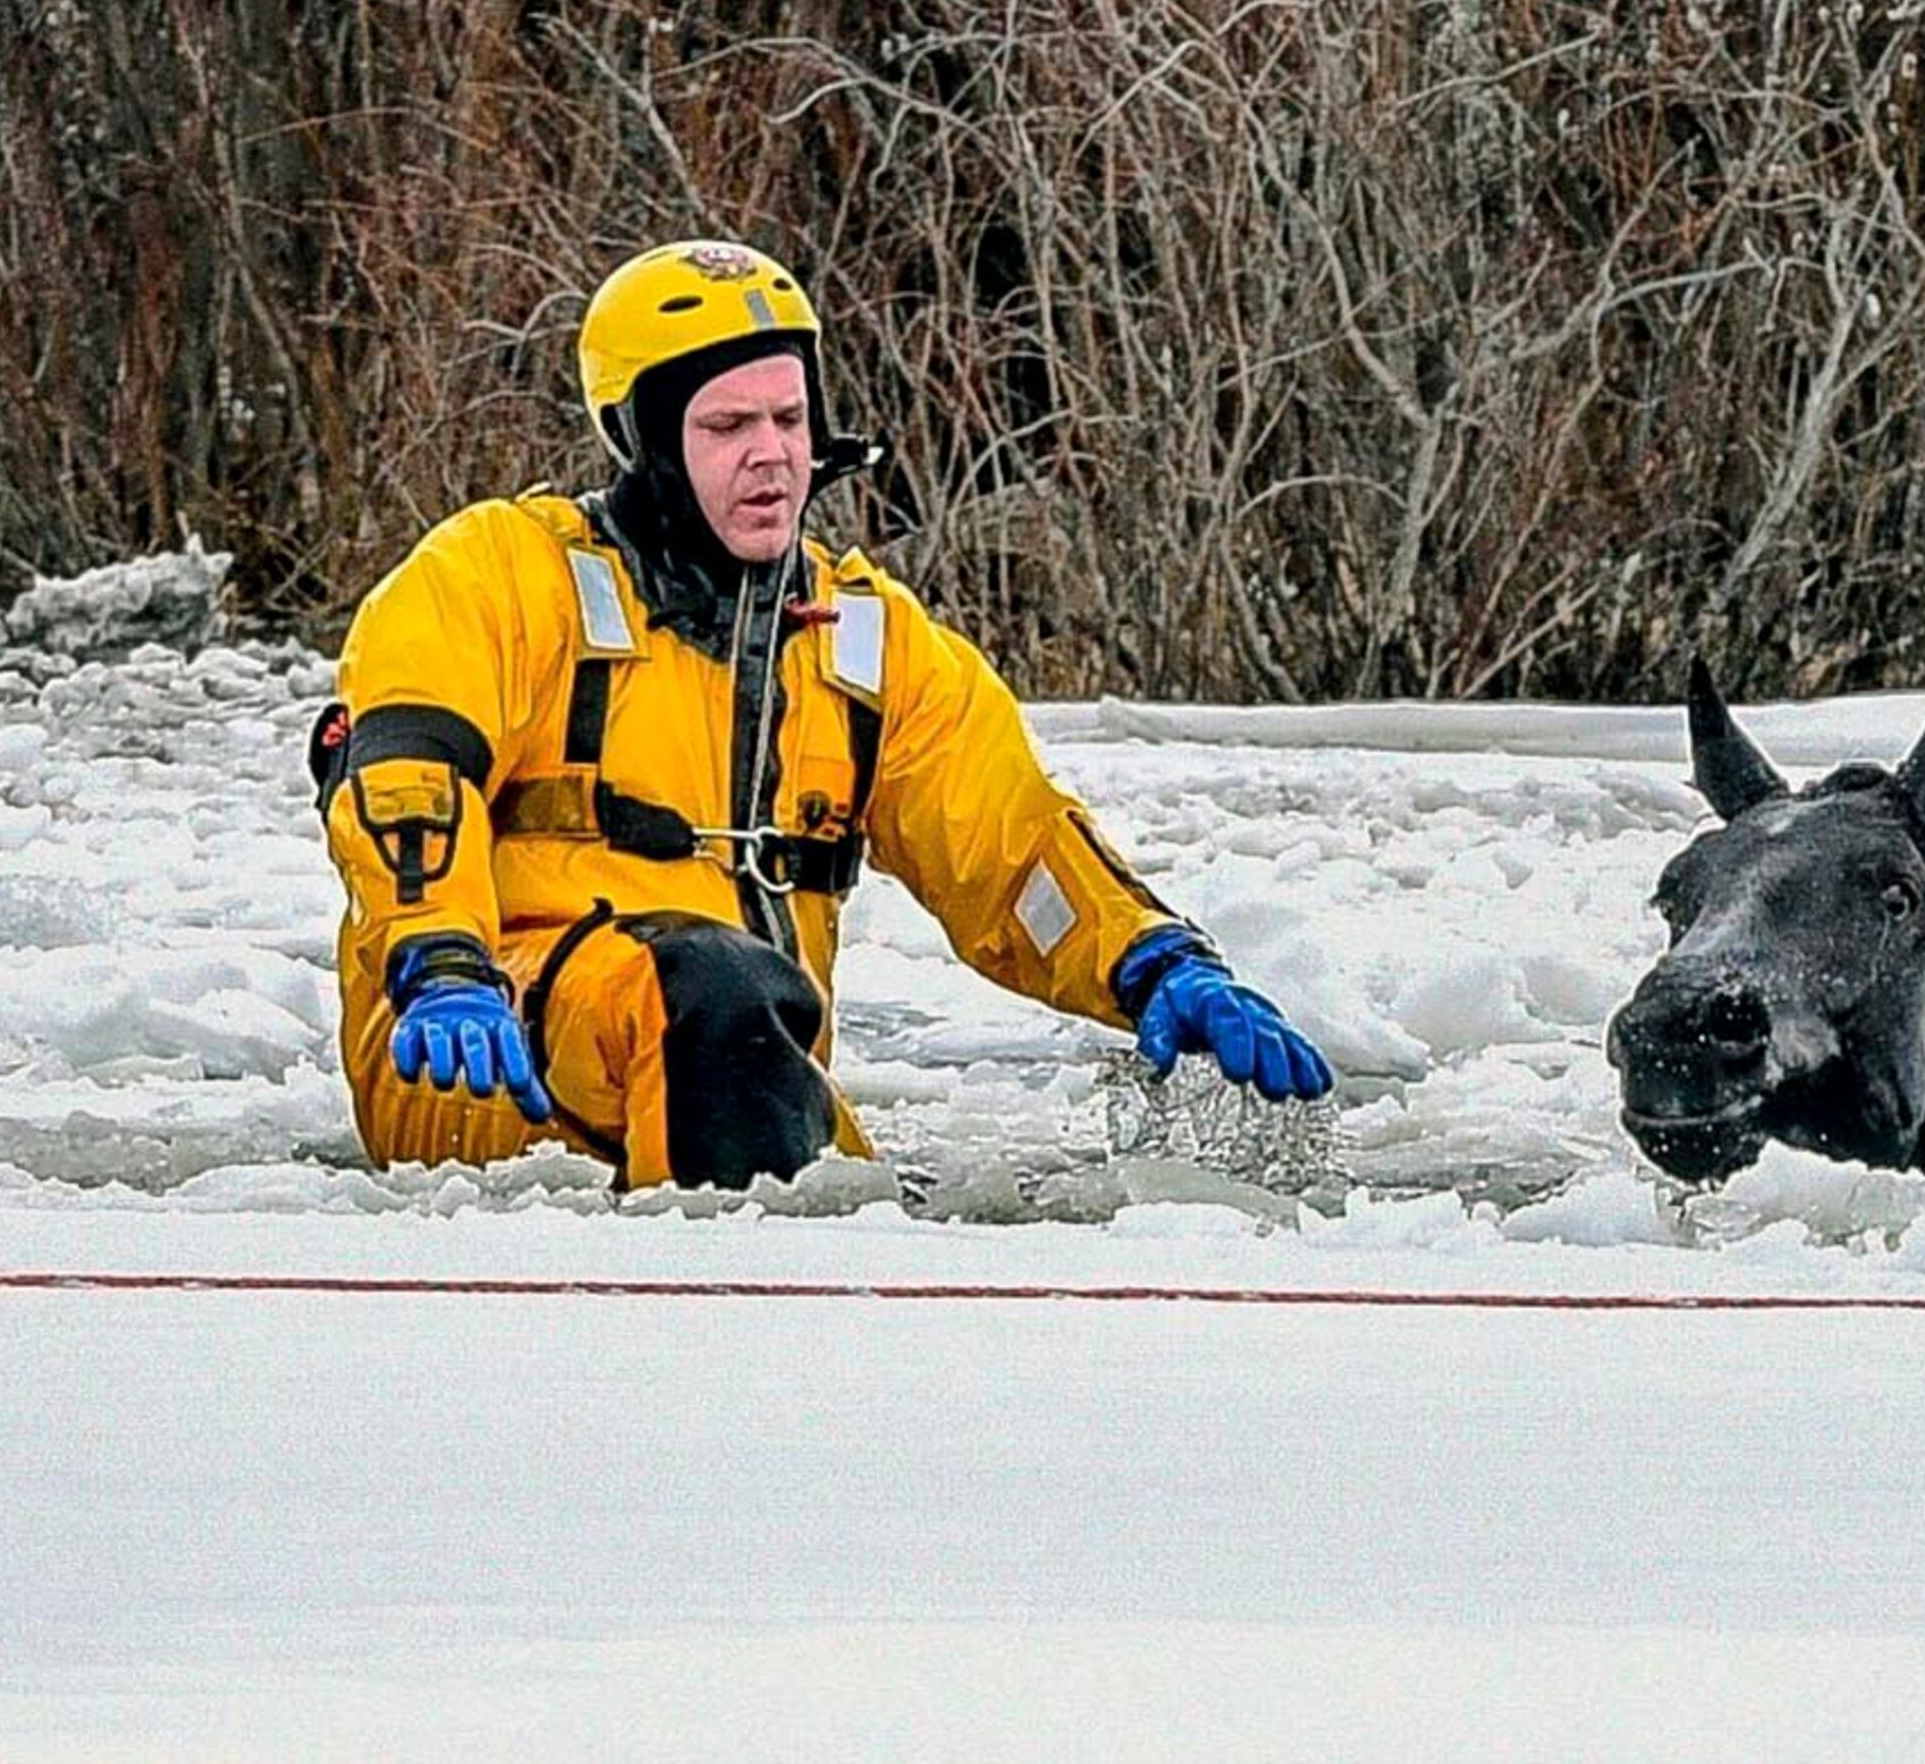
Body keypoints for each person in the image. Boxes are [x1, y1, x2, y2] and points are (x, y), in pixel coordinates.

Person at [311, 238, 1330, 1187]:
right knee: (707, 987)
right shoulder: (500, 571)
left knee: (813, 1122)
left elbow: (1009, 845)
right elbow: (404, 771)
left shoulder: (865, 636)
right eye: (726, 425)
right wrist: (441, 953)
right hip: (475, 1050)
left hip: (739, 1056)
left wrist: (1153, 960)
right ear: (643, 438)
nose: (772, 455)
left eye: (789, 420)